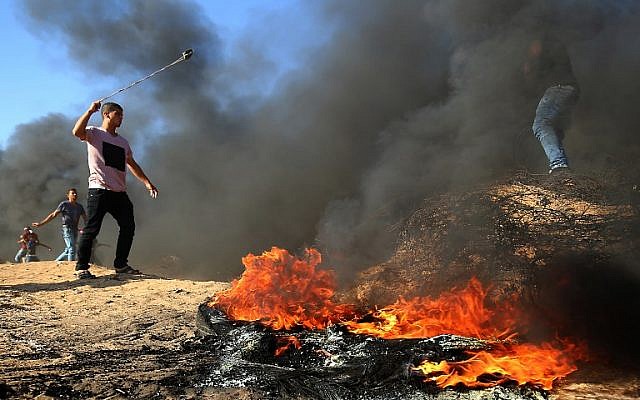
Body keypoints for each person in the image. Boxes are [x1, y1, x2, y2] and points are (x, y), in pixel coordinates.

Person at [71, 100, 158, 279]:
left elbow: (132, 164)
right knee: (92, 229)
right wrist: (89, 111)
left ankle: (121, 264)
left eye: (122, 115)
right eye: (118, 114)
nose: (121, 118)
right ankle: (81, 267)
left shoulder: (123, 142)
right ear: (107, 114)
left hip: (119, 192)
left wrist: (147, 182)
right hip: (99, 189)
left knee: (128, 226)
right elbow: (76, 132)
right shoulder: (94, 133)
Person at [525, 34, 579, 175]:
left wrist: (529, 68)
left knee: (541, 125)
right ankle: (563, 169)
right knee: (555, 130)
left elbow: (536, 51)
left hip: (559, 89)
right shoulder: (556, 47)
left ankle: (559, 165)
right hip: (571, 90)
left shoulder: (543, 42)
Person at [32, 188, 87, 262]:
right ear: (68, 195)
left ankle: (55, 262)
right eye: (73, 193)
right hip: (67, 229)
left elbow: (85, 218)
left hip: (74, 229)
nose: (75, 195)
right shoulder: (64, 204)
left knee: (68, 250)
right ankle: (71, 268)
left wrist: (87, 228)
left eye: (76, 193)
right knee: (72, 248)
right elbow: (53, 215)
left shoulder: (79, 206)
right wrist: (41, 223)